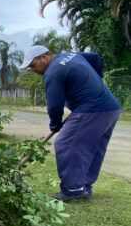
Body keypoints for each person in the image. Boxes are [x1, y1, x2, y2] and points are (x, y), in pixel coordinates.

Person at [20, 45, 121, 201]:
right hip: (111, 108)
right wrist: (97, 82)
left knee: (66, 143)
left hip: (91, 110)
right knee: (93, 147)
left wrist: (55, 125)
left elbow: (54, 105)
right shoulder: (71, 56)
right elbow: (95, 57)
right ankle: (84, 187)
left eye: (33, 65)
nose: (33, 70)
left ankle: (73, 190)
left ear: (44, 57)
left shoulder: (53, 72)